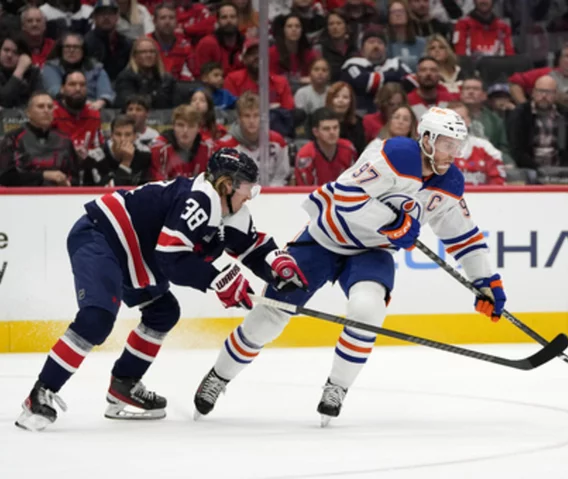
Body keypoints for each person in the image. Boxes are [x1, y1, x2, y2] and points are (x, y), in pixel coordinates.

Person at [193, 107, 507, 425]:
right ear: (425, 138)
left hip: (371, 252)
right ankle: (219, 376)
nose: (453, 153)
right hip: (324, 238)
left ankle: (337, 387)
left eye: (457, 145)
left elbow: (464, 236)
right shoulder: (395, 154)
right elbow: (345, 195)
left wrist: (486, 281)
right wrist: (392, 221)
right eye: (446, 143)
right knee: (271, 314)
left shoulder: (450, 183)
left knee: (367, 311)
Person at [14, 148, 308, 431]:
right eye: (248, 188)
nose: (249, 196)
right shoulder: (200, 200)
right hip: (101, 236)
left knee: (162, 311)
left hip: (136, 254)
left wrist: (276, 265)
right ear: (227, 184)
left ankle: (124, 385)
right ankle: (40, 393)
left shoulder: (230, 211)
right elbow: (171, 259)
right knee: (96, 318)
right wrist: (218, 279)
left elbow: (251, 246)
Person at [0, 92, 78, 187]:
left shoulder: (65, 139)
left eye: (50, 107)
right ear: (28, 113)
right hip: (22, 197)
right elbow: (5, 177)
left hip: (58, 196)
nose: (46, 111)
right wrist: (44, 175)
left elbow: (75, 177)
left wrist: (67, 183)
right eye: (41, 107)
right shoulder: (13, 138)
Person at [295, 107, 358, 185]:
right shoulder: (305, 155)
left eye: (335, 127)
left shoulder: (349, 148)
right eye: (326, 129)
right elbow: (302, 191)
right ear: (316, 132)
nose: (332, 132)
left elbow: (355, 182)